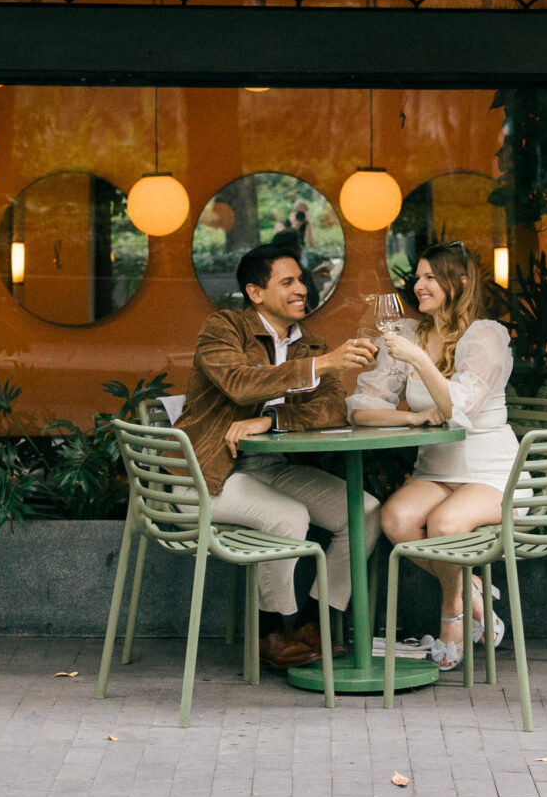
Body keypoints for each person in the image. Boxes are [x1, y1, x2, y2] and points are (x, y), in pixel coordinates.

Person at [176, 242, 382, 670]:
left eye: (301, 280)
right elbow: (239, 383)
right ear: (255, 292)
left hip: (266, 465)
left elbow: (330, 408)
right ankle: (268, 631)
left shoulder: (309, 344)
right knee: (288, 518)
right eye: (287, 281)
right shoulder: (224, 328)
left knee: (364, 510)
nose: (301, 289)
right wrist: (324, 363)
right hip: (207, 471)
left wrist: (272, 422)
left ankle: (313, 625)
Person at [347, 241, 516, 670]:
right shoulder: (407, 334)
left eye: (430, 277)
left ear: (459, 283)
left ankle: (451, 619)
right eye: (417, 277)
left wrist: (420, 361)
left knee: (443, 524)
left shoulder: (486, 336)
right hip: (437, 467)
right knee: (396, 519)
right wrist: (412, 420)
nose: (419, 285)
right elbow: (364, 409)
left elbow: (459, 409)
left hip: (489, 470)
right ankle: (474, 591)